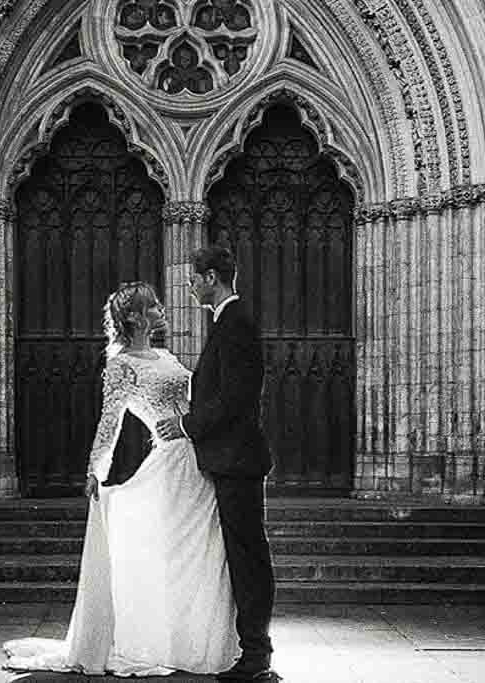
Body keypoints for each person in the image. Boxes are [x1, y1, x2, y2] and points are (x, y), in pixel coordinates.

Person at [3, 283, 239, 678]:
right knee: (181, 552)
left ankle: (195, 640)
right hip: (174, 464)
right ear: (133, 317)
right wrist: (96, 470)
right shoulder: (121, 365)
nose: (162, 309)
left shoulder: (163, 354)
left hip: (199, 456)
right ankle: (173, 642)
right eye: (153, 306)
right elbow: (110, 421)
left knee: (202, 552)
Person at [157, 246, 276, 682]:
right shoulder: (227, 321)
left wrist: (185, 424)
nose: (189, 284)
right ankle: (253, 650)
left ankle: (256, 654)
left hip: (237, 460)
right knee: (244, 554)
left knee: (248, 557)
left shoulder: (236, 322)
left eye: (193, 277)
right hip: (230, 459)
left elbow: (235, 398)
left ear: (211, 277)